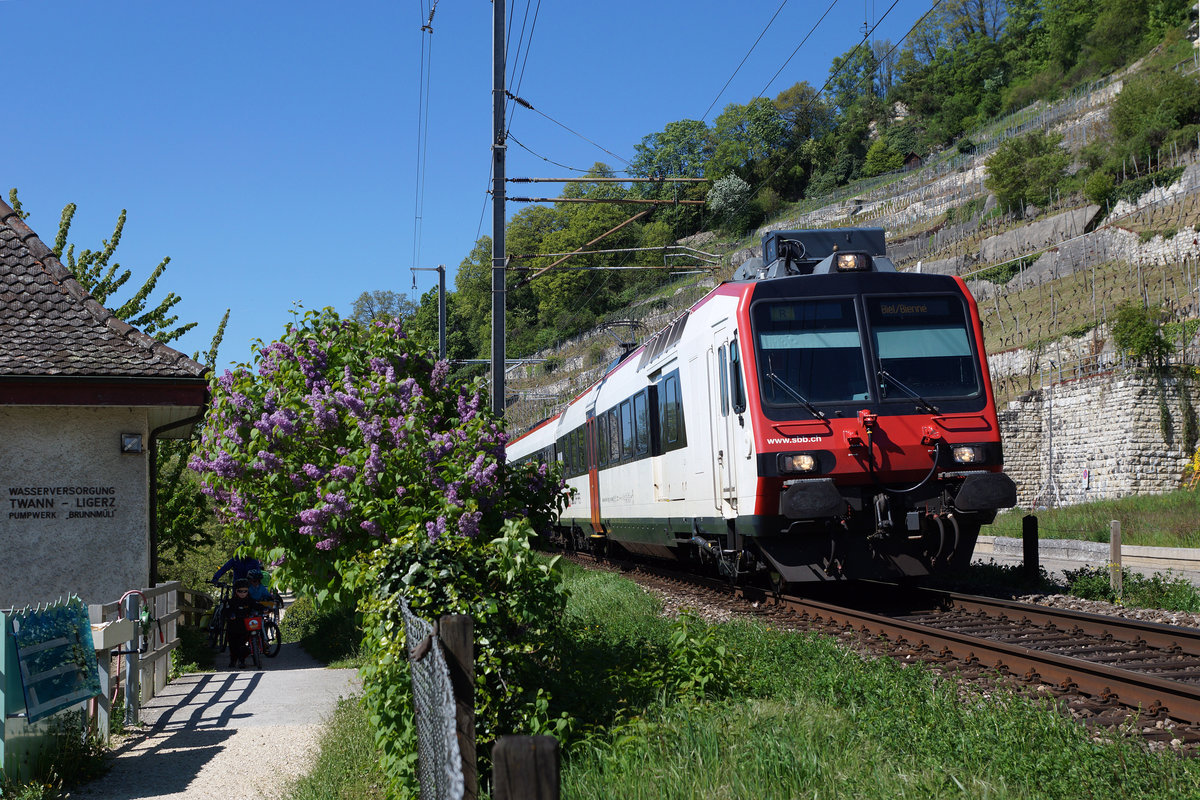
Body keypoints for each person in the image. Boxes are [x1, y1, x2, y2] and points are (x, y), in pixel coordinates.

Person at [224, 578, 259, 668]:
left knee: (241, 644)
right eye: (240, 591)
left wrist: (264, 609)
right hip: (233, 627)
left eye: (245, 591)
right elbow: (225, 611)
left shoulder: (250, 600)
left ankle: (241, 660)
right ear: (236, 591)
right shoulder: (231, 602)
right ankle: (233, 660)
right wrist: (231, 614)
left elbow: (257, 606)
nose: (243, 593)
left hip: (245, 627)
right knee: (232, 645)